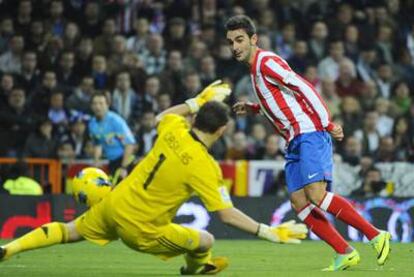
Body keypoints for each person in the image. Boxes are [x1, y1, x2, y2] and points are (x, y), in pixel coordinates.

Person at [0, 83, 307, 275]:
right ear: (221, 131)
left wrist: (197, 100)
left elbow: (163, 116)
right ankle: (194, 270)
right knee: (205, 240)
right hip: (140, 228)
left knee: (68, 230)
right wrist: (269, 232)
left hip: (114, 203)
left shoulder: (174, 129)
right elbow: (226, 215)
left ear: (195, 120)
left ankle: (9, 249)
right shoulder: (205, 166)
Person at [225, 15, 391, 271]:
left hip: (309, 132)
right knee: (299, 202)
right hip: (293, 139)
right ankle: (344, 251)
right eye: (231, 42)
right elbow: (280, 99)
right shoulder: (255, 70)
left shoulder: (266, 62)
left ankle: (375, 235)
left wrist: (327, 122)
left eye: (240, 40)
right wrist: (255, 108)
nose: (235, 46)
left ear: (253, 39)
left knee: (316, 194)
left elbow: (303, 87)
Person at [89, 92, 136, 180]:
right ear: (91, 106)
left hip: (125, 160)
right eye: (95, 103)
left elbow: (129, 144)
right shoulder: (92, 124)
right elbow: (98, 144)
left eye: (101, 103)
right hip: (112, 161)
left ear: (107, 105)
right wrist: (96, 161)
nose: (98, 107)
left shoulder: (116, 121)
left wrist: (124, 167)